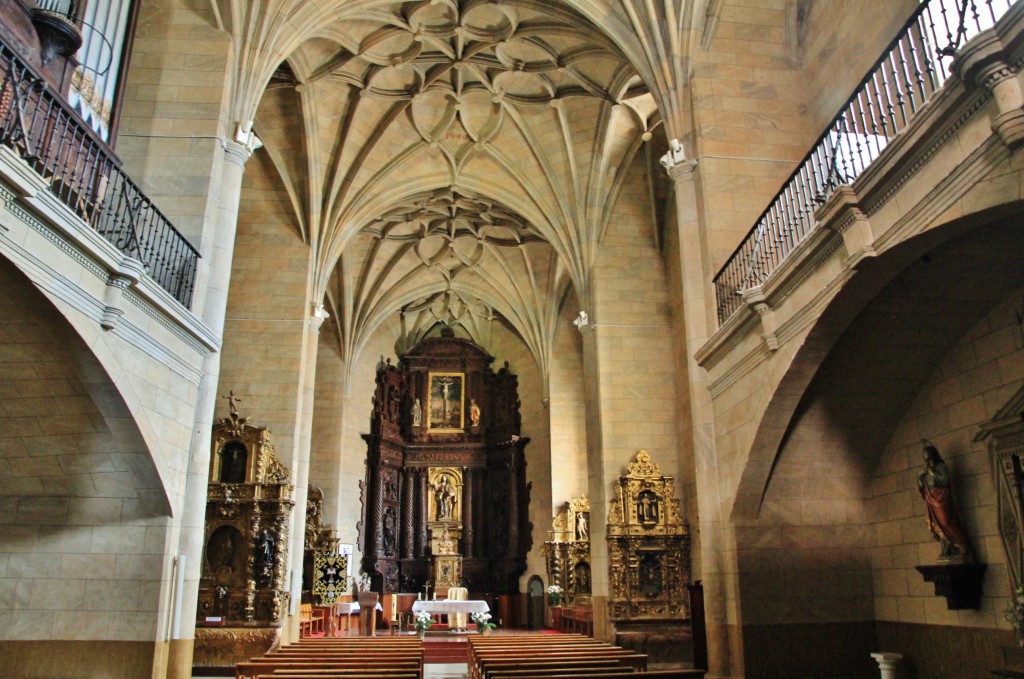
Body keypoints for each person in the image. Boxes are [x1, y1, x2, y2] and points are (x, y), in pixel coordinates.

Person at [917, 440, 972, 559]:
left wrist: (931, 472)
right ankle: (947, 549)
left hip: (941, 498)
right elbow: (923, 486)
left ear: (931, 453)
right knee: (937, 524)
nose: (924, 456)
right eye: (923, 454)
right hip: (931, 499)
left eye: (926, 453)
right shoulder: (926, 469)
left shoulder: (941, 467)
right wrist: (920, 478)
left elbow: (944, 480)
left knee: (946, 522)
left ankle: (962, 545)